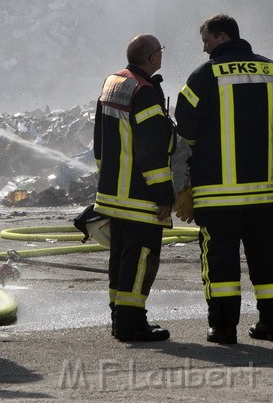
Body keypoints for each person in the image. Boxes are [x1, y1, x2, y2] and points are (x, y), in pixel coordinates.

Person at [175, 14, 273, 345]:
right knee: (266, 256)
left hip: (218, 192)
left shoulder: (205, 75)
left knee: (220, 261)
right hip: (266, 190)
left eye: (207, 41)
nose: (204, 48)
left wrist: (207, 146)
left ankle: (223, 328)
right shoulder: (272, 70)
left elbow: (184, 122)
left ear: (223, 38)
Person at [93, 34, 175, 342]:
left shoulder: (114, 83)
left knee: (121, 256)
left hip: (112, 192)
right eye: (160, 51)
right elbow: (151, 150)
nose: (161, 56)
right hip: (139, 196)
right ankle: (131, 323)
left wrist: (106, 177)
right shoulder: (144, 92)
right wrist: (163, 194)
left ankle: (119, 316)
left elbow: (99, 140)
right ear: (152, 58)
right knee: (141, 259)